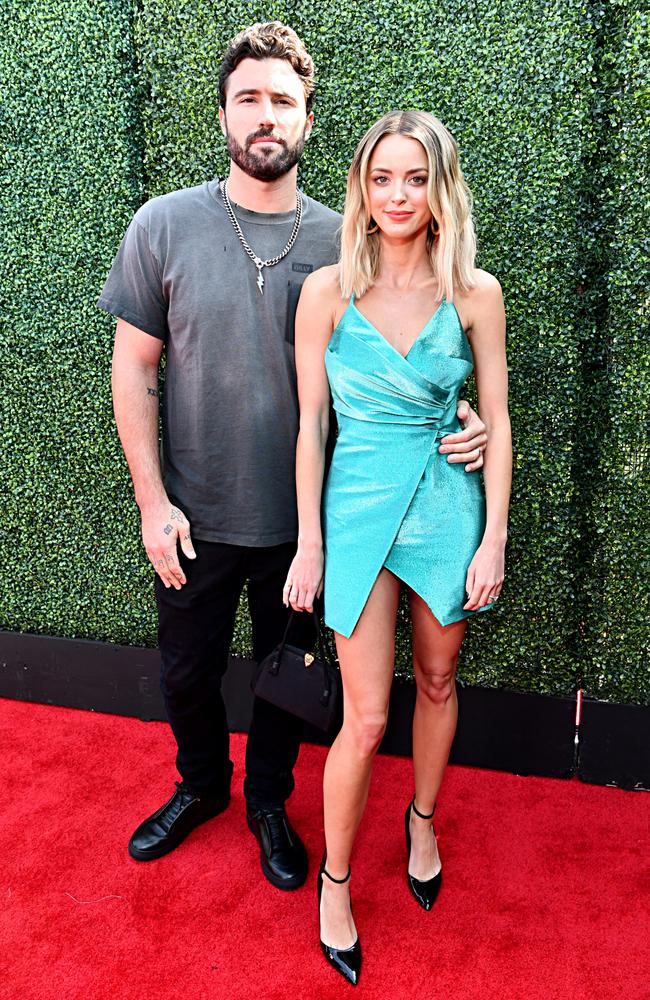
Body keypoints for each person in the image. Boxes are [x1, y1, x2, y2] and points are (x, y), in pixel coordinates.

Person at [99, 23, 489, 892]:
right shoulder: (162, 225)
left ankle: (269, 802)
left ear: (308, 115)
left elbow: (413, 338)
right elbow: (133, 366)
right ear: (226, 114)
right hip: (194, 515)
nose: (266, 115)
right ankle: (200, 786)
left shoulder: (346, 243)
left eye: (283, 99)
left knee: (288, 680)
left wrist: (463, 414)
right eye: (250, 98)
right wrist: (151, 502)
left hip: (312, 521)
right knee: (186, 671)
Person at [286, 109, 511, 983]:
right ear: (361, 188)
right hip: (354, 509)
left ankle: (421, 819)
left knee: (440, 679)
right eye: (381, 178)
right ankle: (335, 884)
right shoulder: (327, 291)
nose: (397, 195)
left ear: (440, 187)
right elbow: (312, 428)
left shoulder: (476, 292)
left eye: (415, 178)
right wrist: (308, 543)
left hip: (447, 508)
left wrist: (493, 533)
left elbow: (498, 419)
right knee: (366, 715)